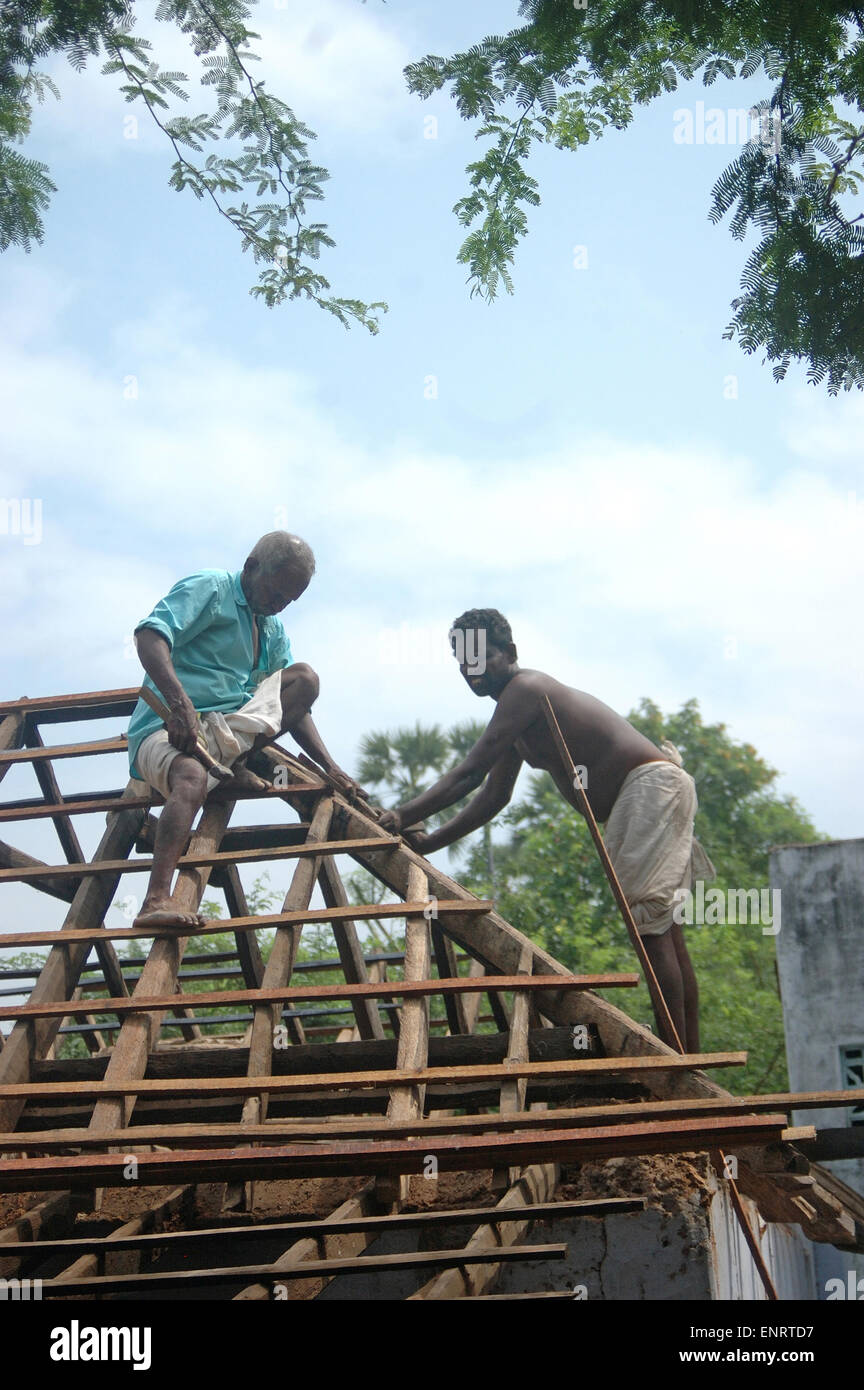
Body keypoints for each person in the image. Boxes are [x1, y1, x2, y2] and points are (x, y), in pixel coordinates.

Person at [377, 608, 714, 1051]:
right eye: (463, 662)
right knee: (663, 928)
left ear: (510, 653)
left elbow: (469, 773)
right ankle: (685, 1053)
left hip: (649, 789)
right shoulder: (514, 711)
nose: (470, 670)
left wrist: (400, 816)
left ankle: (678, 1057)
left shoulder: (526, 690)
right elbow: (494, 796)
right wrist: (432, 842)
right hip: (653, 792)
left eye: (481, 657)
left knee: (651, 927)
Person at [127, 531, 359, 930]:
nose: (279, 605)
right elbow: (150, 636)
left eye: (290, 600)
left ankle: (233, 767)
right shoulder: (211, 588)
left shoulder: (271, 628)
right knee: (192, 775)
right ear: (252, 567)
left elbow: (290, 705)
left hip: (225, 736)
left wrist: (329, 767)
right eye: (276, 593)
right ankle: (153, 901)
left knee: (303, 678)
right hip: (169, 729)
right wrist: (179, 704)